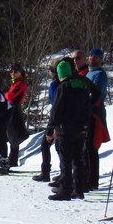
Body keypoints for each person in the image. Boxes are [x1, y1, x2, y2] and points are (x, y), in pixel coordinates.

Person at [46, 58, 92, 201]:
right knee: (78, 159)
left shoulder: (63, 87)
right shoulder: (82, 84)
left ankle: (65, 191)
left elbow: (56, 109)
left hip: (66, 128)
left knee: (66, 160)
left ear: (61, 74)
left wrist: (50, 129)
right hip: (82, 127)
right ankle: (79, 189)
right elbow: (89, 103)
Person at [84, 47, 110, 191]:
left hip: (95, 112)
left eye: (96, 56)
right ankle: (85, 177)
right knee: (86, 146)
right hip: (87, 111)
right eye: (91, 55)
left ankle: (92, 181)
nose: (92, 58)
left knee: (91, 146)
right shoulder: (89, 73)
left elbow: (96, 93)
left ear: (101, 59)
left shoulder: (100, 74)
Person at [33, 60, 61, 182]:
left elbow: (55, 104)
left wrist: (52, 126)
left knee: (47, 144)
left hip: (56, 119)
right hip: (63, 119)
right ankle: (62, 172)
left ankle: (46, 172)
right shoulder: (65, 82)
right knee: (59, 147)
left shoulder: (54, 85)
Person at [5, 63, 29, 167]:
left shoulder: (20, 83)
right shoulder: (15, 83)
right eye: (11, 72)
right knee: (11, 135)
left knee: (14, 135)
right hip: (12, 108)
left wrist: (5, 95)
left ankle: (13, 160)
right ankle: (11, 159)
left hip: (15, 109)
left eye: (15, 72)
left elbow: (10, 96)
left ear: (20, 72)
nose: (13, 74)